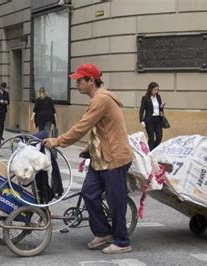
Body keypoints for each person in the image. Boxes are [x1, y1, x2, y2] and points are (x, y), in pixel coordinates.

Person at [44, 63, 134, 254]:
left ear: (91, 80)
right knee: (88, 192)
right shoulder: (97, 98)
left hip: (114, 158)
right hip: (100, 158)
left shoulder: (101, 99)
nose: (77, 85)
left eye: (79, 81)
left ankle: (122, 241)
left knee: (115, 200)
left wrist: (58, 141)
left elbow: (82, 127)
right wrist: (88, 148)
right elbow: (100, 128)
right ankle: (103, 232)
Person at [139, 82, 165, 150]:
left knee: (159, 137)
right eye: (155, 90)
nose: (156, 91)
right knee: (151, 138)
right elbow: (141, 110)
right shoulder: (145, 98)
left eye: (157, 90)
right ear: (150, 89)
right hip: (149, 120)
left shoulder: (158, 97)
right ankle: (150, 155)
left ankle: (152, 150)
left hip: (158, 119)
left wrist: (161, 107)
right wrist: (141, 121)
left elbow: (160, 108)